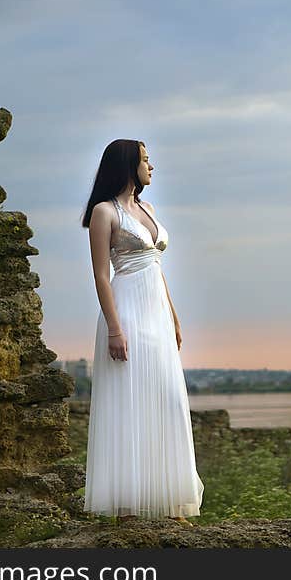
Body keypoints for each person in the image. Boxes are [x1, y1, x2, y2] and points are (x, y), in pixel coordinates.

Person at [80, 138, 204, 526]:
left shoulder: (148, 209)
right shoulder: (104, 212)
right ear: (127, 164)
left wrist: (175, 318)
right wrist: (115, 329)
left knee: (166, 400)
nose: (152, 166)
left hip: (157, 317)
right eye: (146, 160)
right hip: (127, 313)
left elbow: (157, 268)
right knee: (127, 403)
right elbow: (102, 275)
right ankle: (127, 509)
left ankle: (169, 503)